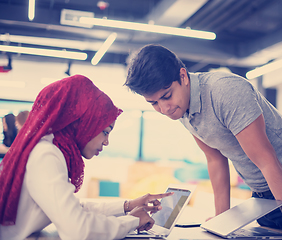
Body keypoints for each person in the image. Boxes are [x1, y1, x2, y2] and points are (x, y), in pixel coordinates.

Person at [124, 44, 282, 240]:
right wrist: (222, 220)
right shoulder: (182, 109)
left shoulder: (225, 92)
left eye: (167, 96)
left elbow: (267, 160)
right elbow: (215, 159)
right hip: (262, 190)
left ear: (183, 76)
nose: (164, 109)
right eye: (153, 103)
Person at [0, 74, 173, 240]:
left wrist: (128, 206)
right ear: (83, 122)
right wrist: (133, 220)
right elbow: (78, 229)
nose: (106, 142)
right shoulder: (46, 155)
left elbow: (74, 209)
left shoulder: (51, 149)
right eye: (105, 132)